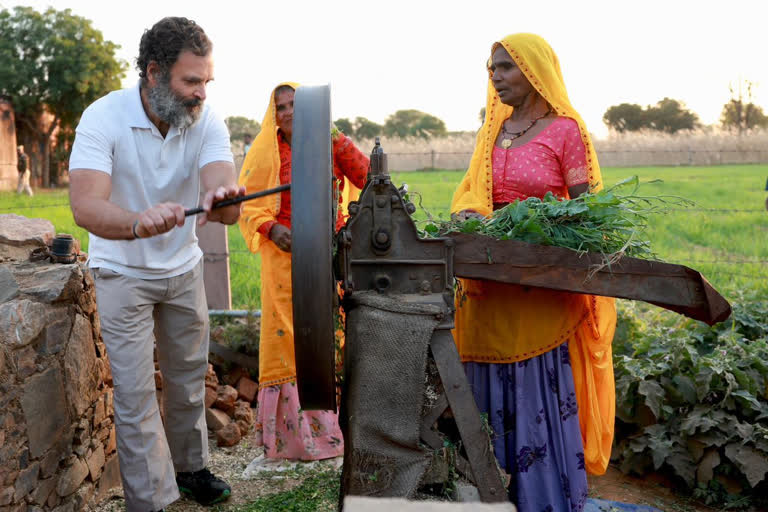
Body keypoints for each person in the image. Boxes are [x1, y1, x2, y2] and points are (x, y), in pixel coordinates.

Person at [68, 17, 244, 512]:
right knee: (136, 394)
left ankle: (190, 472)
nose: (201, 93)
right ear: (152, 73)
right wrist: (139, 222)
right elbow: (85, 206)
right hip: (121, 271)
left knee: (188, 381)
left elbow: (225, 203)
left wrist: (224, 198)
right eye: (191, 81)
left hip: (182, 269)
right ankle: (153, 500)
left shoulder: (205, 120)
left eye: (206, 81)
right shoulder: (103, 117)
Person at [451, 33, 617, 512]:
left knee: (535, 392)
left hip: (540, 292)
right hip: (489, 291)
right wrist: (469, 216)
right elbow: (469, 194)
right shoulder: (492, 132)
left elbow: (587, 212)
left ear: (533, 70)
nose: (495, 77)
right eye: (491, 69)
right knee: (484, 390)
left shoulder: (566, 130)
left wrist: (540, 230)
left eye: (505, 67)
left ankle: (545, 501)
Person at [238, 83, 368, 461]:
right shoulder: (265, 150)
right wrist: (271, 228)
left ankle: (332, 437)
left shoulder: (329, 144)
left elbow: (365, 177)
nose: (289, 112)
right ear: (272, 114)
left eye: (296, 104)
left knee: (329, 336)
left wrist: (335, 136)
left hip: (328, 258)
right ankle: (291, 444)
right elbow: (247, 203)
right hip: (282, 260)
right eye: (280, 107)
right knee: (286, 341)